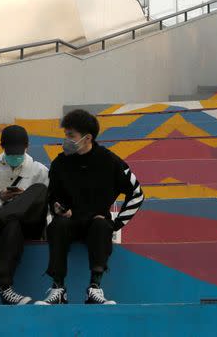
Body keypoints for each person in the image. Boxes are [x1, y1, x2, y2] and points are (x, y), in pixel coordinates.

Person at [36, 109, 144, 305]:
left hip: (96, 224)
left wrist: (116, 224)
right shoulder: (60, 162)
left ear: (87, 138)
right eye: (65, 134)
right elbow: (51, 196)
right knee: (57, 226)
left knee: (102, 226)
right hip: (70, 222)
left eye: (71, 135)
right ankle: (58, 288)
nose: (66, 140)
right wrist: (57, 207)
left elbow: (137, 193)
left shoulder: (110, 161)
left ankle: (94, 288)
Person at [0, 124, 49, 305]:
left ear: (27, 147)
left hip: (31, 223)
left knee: (38, 190)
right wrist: (1, 196)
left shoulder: (39, 170)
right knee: (12, 223)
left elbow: (47, 207)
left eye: (18, 153)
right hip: (6, 229)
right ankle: (5, 289)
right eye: (10, 153)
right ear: (2, 147)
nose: (15, 157)